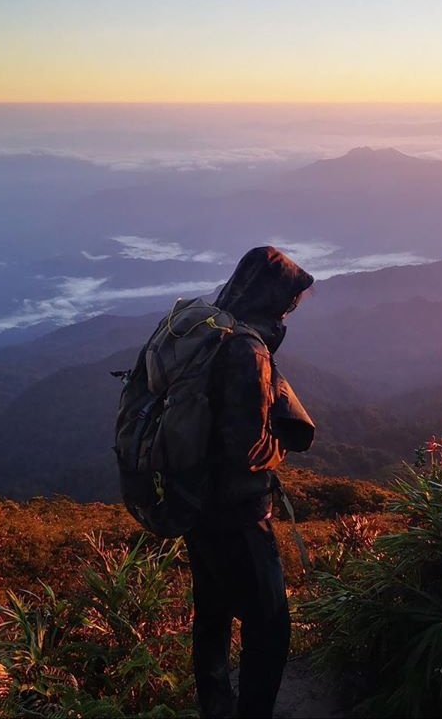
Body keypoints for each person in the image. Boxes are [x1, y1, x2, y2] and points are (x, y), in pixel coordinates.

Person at [183, 245, 315, 719]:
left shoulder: (210, 329)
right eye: (290, 300)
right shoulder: (246, 350)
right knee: (270, 628)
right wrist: (284, 443)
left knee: (213, 615)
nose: (290, 309)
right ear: (271, 296)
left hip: (194, 501)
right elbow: (248, 451)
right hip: (236, 513)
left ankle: (216, 708)